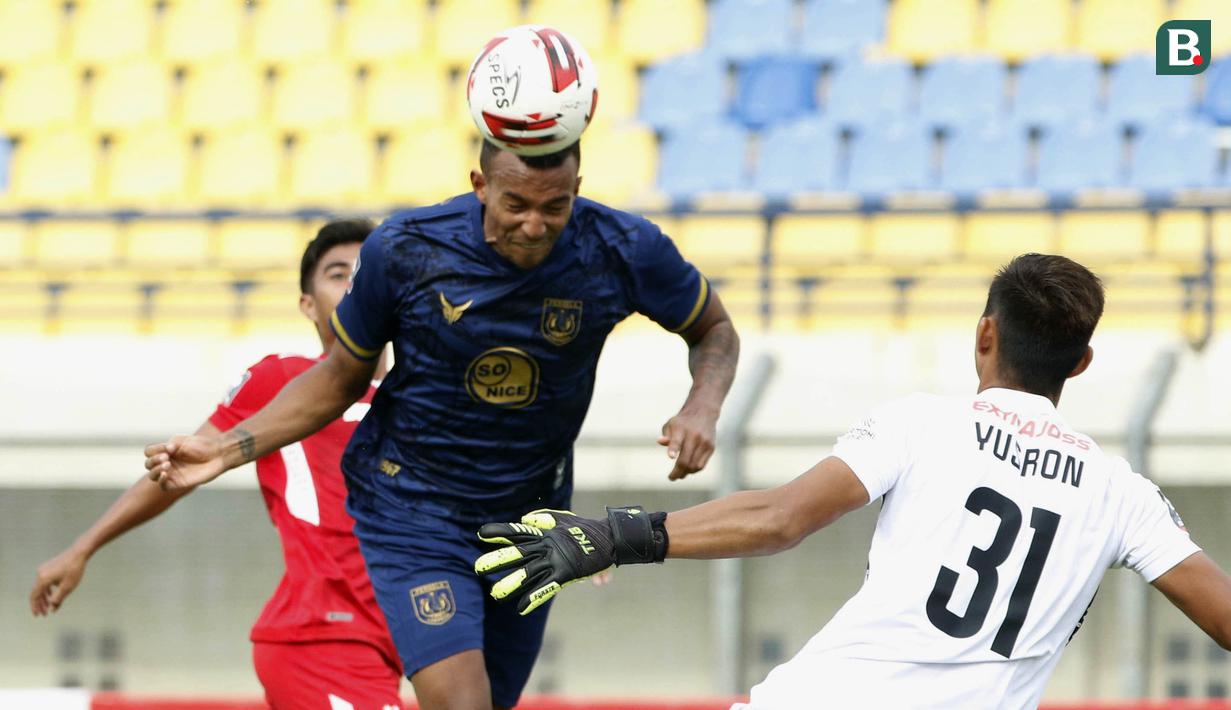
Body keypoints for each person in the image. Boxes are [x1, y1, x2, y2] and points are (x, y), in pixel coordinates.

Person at [476, 253, 1231, 710]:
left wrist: (615, 536)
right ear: (1079, 364)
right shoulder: (1117, 492)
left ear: (983, 335)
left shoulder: (922, 425)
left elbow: (779, 518)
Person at [142, 138, 741, 710]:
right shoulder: (407, 249)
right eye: (516, 205)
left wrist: (702, 406)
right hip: (412, 507)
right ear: (480, 186)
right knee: (462, 701)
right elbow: (339, 377)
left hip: (530, 511)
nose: (534, 225)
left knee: (492, 699)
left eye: (554, 207)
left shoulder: (623, 248)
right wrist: (228, 449)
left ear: (578, 190)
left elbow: (713, 328)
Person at [32, 220, 405, 710]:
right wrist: (82, 547)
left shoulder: (421, 398)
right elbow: (181, 470)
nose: (355, 284)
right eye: (338, 274)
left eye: (366, 272)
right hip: (320, 635)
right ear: (307, 305)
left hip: (394, 642)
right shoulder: (283, 380)